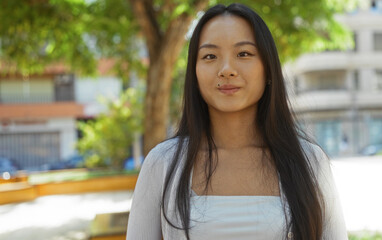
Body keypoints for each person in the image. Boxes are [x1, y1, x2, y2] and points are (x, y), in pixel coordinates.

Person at [127, 3, 347, 240]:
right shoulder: (163, 163)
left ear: (268, 69)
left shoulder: (310, 162)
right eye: (210, 56)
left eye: (243, 54)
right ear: (195, 73)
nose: (226, 70)